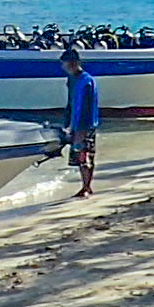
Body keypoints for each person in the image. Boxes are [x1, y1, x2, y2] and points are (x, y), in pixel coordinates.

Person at [62, 45, 100, 197]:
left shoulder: (86, 81)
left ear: (74, 63)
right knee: (78, 157)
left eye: (66, 64)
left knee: (85, 156)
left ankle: (87, 187)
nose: (64, 67)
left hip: (86, 125)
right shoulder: (71, 79)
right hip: (74, 123)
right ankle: (84, 186)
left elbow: (86, 107)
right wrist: (68, 123)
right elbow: (70, 103)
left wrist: (81, 130)